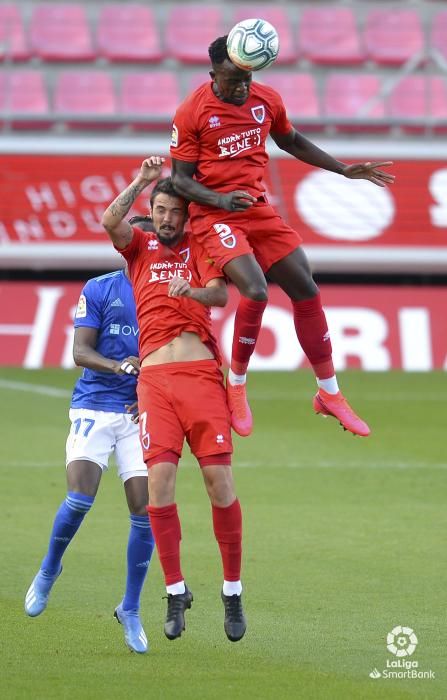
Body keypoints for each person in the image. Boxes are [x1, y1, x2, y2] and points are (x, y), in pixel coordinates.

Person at [170, 36, 396, 439]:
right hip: (214, 214)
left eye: (246, 78)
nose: (240, 87)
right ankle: (236, 385)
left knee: (306, 290)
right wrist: (221, 198)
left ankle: (329, 394)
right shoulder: (193, 111)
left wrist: (343, 169)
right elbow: (180, 182)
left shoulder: (266, 100)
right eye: (232, 79)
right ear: (213, 75)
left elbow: (290, 140)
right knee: (256, 290)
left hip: (256, 207)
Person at [101, 156, 247, 644]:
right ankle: (175, 589)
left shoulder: (200, 246)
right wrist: (140, 180)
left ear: (186, 215)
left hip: (200, 376)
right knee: (158, 487)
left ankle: (231, 589)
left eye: (173, 211)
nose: (166, 218)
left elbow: (221, 296)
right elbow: (110, 221)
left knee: (218, 482)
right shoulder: (138, 248)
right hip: (155, 383)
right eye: (159, 209)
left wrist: (194, 293)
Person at [24, 264, 154, 655]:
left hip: (139, 411)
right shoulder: (101, 288)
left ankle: (130, 608)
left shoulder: (167, 288)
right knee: (80, 498)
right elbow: (80, 351)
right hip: (95, 404)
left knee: (145, 509)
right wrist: (119, 366)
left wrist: (150, 388)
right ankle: (49, 568)